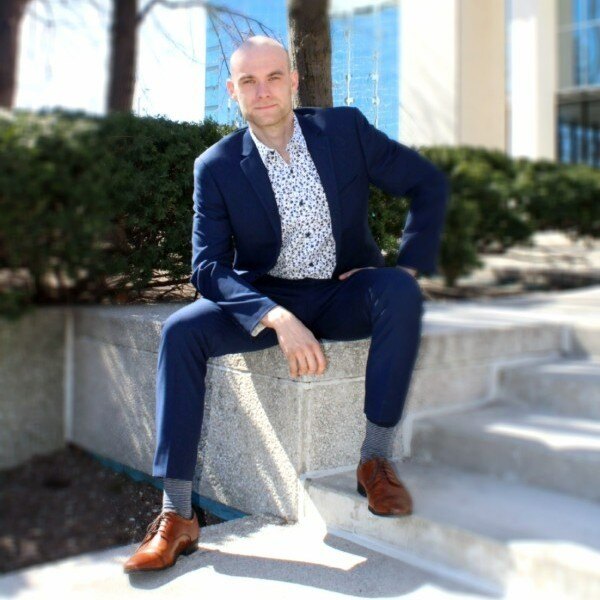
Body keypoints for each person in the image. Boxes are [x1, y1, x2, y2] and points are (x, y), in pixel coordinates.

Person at [123, 35, 449, 574]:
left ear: (294, 81)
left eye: (274, 76)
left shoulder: (343, 130)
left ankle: (375, 461)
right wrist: (273, 316)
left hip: (342, 290)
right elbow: (207, 267)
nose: (263, 90)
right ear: (233, 92)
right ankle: (177, 513)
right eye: (248, 81)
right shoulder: (216, 165)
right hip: (268, 296)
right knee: (181, 331)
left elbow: (427, 183)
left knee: (400, 292)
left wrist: (406, 267)